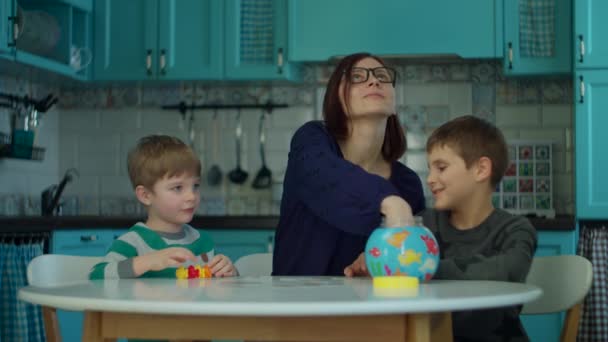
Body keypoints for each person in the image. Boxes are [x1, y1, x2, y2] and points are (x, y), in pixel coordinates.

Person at [345, 115, 538, 341]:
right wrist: (374, 262)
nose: (430, 179)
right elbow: (393, 262)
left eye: (441, 167)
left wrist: (418, 268)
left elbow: (507, 271)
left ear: (481, 169)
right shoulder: (422, 226)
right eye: (430, 168)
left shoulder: (515, 229)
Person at [272, 52, 426, 276]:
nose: (374, 81)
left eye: (382, 76)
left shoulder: (407, 183)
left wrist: (376, 258)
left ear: (394, 103)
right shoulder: (312, 140)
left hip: (373, 305)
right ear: (338, 98)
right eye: (358, 77)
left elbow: (411, 259)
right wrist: (390, 202)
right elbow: (326, 176)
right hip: (298, 304)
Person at [90, 135, 236, 279]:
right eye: (178, 188)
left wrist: (230, 271)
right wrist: (146, 261)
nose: (192, 196)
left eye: (195, 186)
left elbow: (227, 285)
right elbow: (97, 275)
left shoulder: (203, 242)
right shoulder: (133, 242)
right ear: (146, 195)